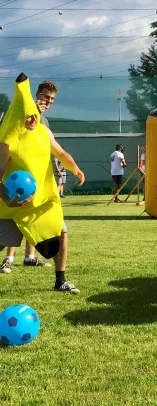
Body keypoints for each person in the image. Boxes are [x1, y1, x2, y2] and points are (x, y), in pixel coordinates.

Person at [0, 79, 85, 294]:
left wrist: (74, 168)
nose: (47, 102)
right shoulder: (9, 136)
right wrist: (6, 198)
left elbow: (61, 153)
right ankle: (10, 259)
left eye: (51, 99)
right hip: (12, 203)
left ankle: (61, 281)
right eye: (44, 97)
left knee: (62, 232)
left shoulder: (44, 131)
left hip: (41, 202)